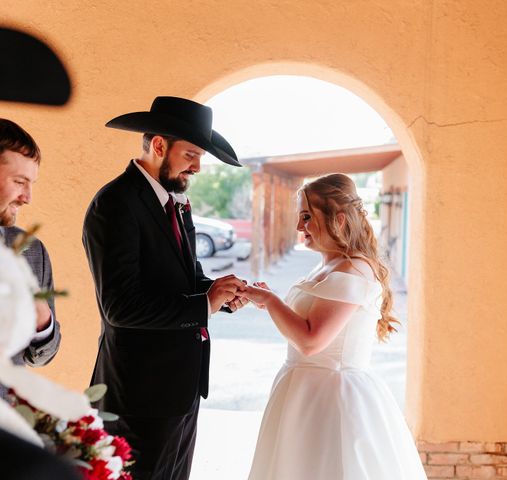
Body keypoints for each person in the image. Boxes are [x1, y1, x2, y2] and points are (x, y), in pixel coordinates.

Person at [82, 96, 248, 480]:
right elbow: (120, 308)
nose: (198, 166)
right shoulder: (116, 204)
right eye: (191, 153)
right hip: (138, 398)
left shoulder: (177, 204)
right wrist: (203, 305)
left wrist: (222, 295)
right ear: (159, 146)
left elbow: (189, 279)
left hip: (180, 392)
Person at [239, 173, 427, 479]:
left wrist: (272, 301)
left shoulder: (353, 268)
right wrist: (266, 299)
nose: (299, 227)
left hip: (332, 399)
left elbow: (312, 341)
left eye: (307, 217)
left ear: (338, 219)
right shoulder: (328, 263)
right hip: (301, 392)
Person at [0, 119, 61, 399]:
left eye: (31, 183)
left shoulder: (32, 250)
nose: (28, 197)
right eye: (19, 181)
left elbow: (40, 356)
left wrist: (42, 318)